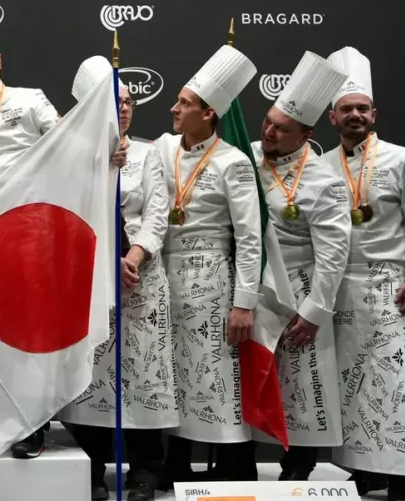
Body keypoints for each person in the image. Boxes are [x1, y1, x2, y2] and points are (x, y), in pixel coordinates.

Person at [0, 0, 127, 459]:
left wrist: (104, 152)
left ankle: (31, 423)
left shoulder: (29, 101)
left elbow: (68, 139)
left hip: (32, 232)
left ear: (0, 60)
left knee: (30, 330)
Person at [322, 47, 405, 501]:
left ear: (374, 113)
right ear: (332, 117)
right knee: (350, 384)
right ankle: (361, 470)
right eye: (346, 109)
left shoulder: (401, 159)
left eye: (361, 108)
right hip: (338, 289)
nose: (355, 115)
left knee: (394, 383)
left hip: (389, 285)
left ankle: (400, 480)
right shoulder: (319, 167)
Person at [58, 56, 175, 501]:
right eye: (113, 101)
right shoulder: (72, 153)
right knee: (94, 372)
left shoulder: (149, 153)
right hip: (90, 276)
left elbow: (157, 215)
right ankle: (91, 464)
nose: (123, 109)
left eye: (128, 102)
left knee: (141, 372)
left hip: (140, 279)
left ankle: (145, 466)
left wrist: (135, 255)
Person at [154, 45, 261, 484]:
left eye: (184, 103)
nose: (174, 108)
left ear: (210, 113)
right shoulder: (162, 149)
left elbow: (250, 238)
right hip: (165, 275)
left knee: (214, 374)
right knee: (173, 372)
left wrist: (244, 304)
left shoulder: (233, 163)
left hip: (214, 278)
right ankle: (174, 462)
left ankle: (235, 469)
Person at [248, 52, 353, 480]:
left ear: (306, 134)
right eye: (268, 122)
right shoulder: (246, 156)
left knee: (303, 384)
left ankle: (299, 468)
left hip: (300, 289)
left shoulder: (324, 182)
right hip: (254, 287)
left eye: (282, 129)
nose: (270, 132)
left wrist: (313, 312)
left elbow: (333, 253)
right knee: (255, 379)